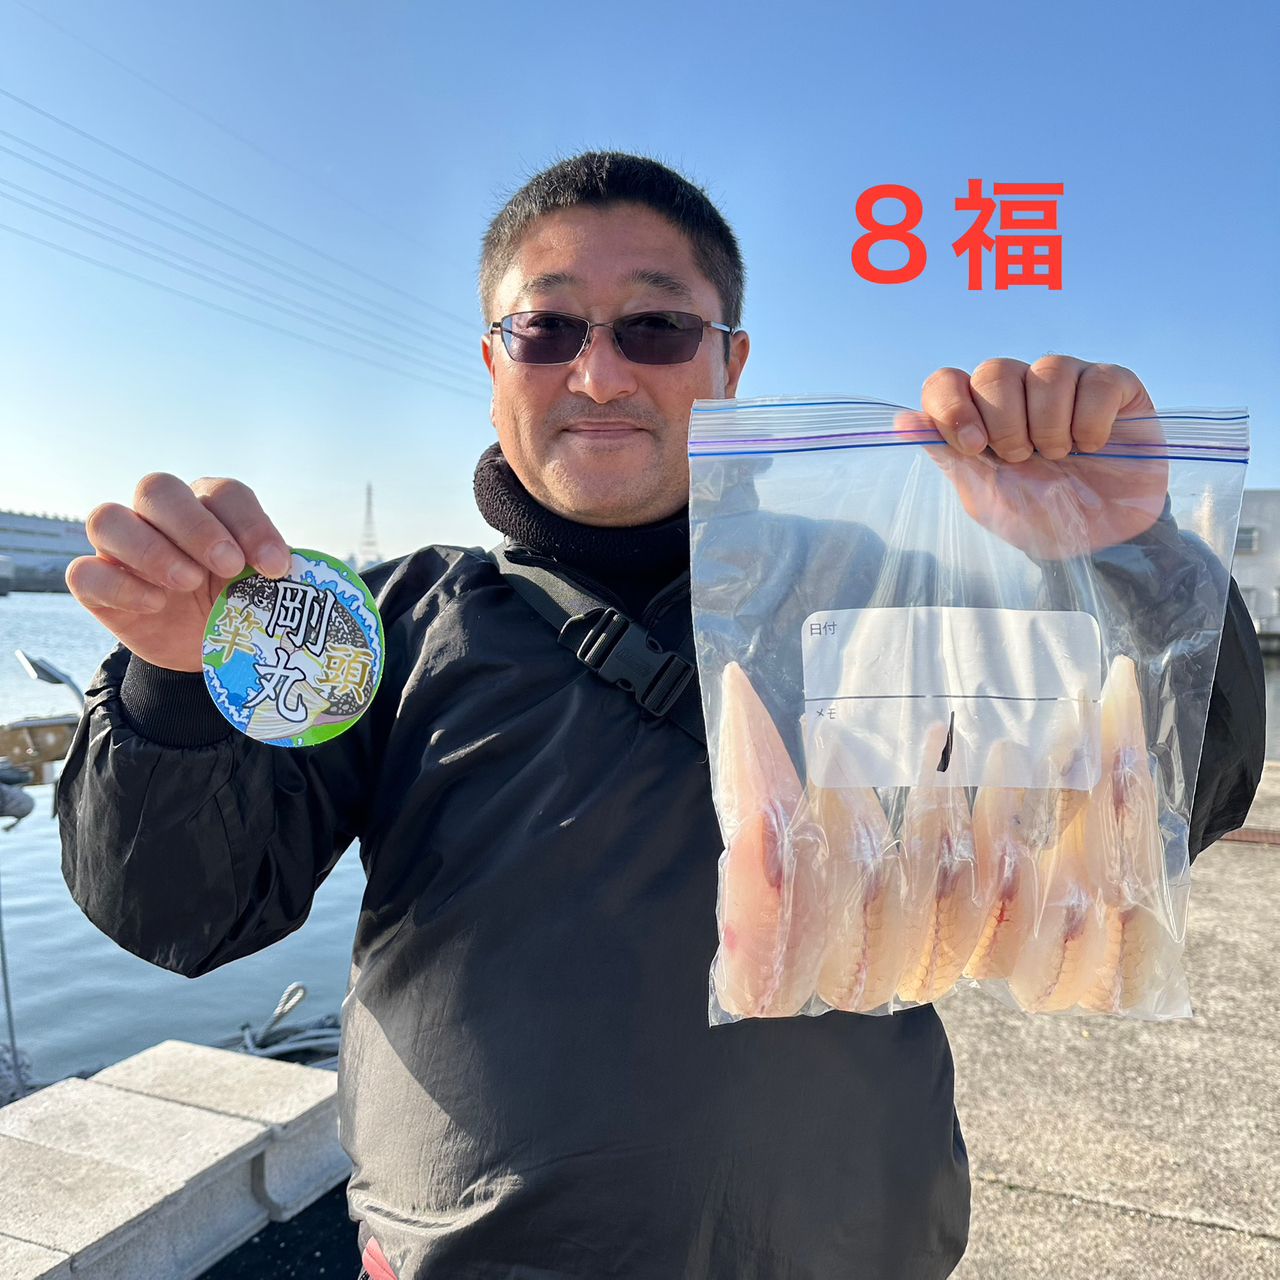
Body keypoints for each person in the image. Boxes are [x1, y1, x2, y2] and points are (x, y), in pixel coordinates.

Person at [58, 152, 1264, 1280]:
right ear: (491, 361)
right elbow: (182, 912)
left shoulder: (872, 593)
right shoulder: (384, 625)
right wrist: (175, 682)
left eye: (655, 326)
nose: (598, 373)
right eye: (545, 328)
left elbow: (1161, 804)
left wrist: (1122, 556)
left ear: (728, 362)